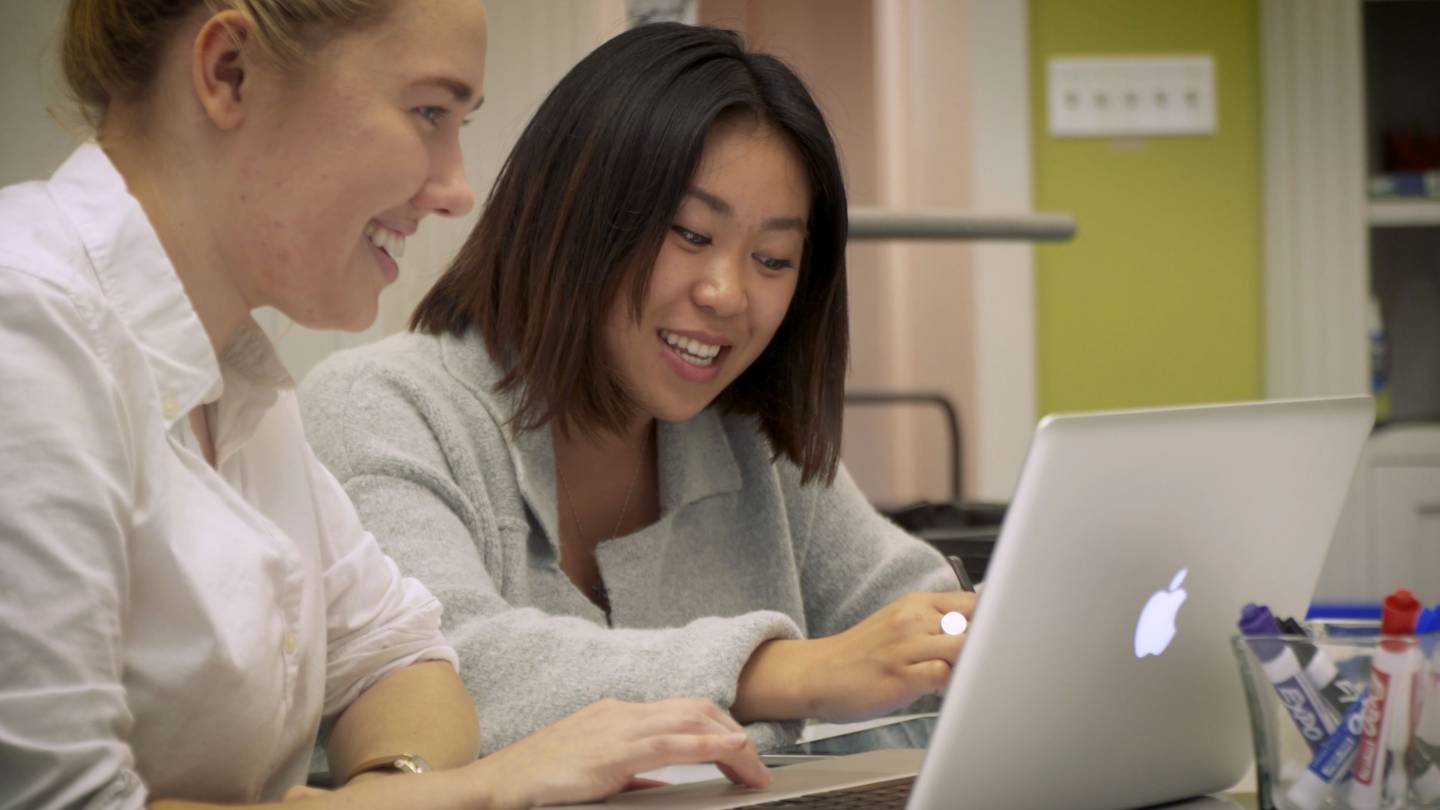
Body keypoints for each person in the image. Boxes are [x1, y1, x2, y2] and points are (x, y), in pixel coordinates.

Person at [0, 2, 769, 807]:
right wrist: (478, 789)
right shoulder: (30, 329)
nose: (457, 190)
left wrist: (380, 797)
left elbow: (403, 658)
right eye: (429, 112)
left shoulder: (238, 384)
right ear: (230, 71)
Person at [300, 22, 977, 756]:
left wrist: (968, 630)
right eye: (689, 234)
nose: (728, 294)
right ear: (573, 214)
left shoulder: (749, 438)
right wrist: (783, 670)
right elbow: (441, 670)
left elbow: (912, 607)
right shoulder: (378, 407)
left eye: (774, 259)